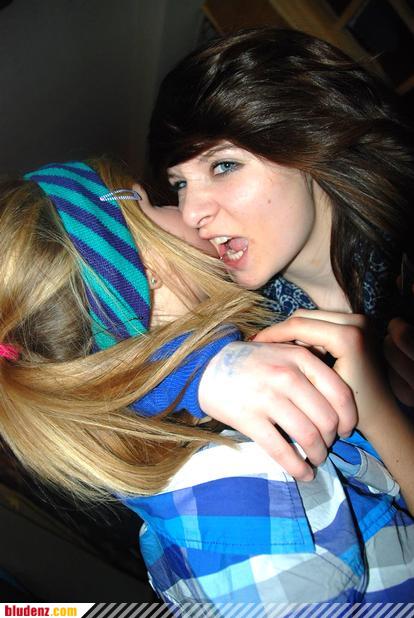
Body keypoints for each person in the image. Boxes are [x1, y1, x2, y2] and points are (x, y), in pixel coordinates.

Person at [0, 158, 413, 604]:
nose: (187, 210)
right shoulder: (230, 497)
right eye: (156, 201)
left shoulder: (227, 388)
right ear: (145, 268)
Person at [147, 27, 414, 475]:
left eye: (223, 165)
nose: (190, 212)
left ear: (308, 141)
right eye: (180, 184)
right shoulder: (246, 325)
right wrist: (199, 379)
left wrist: (384, 410)